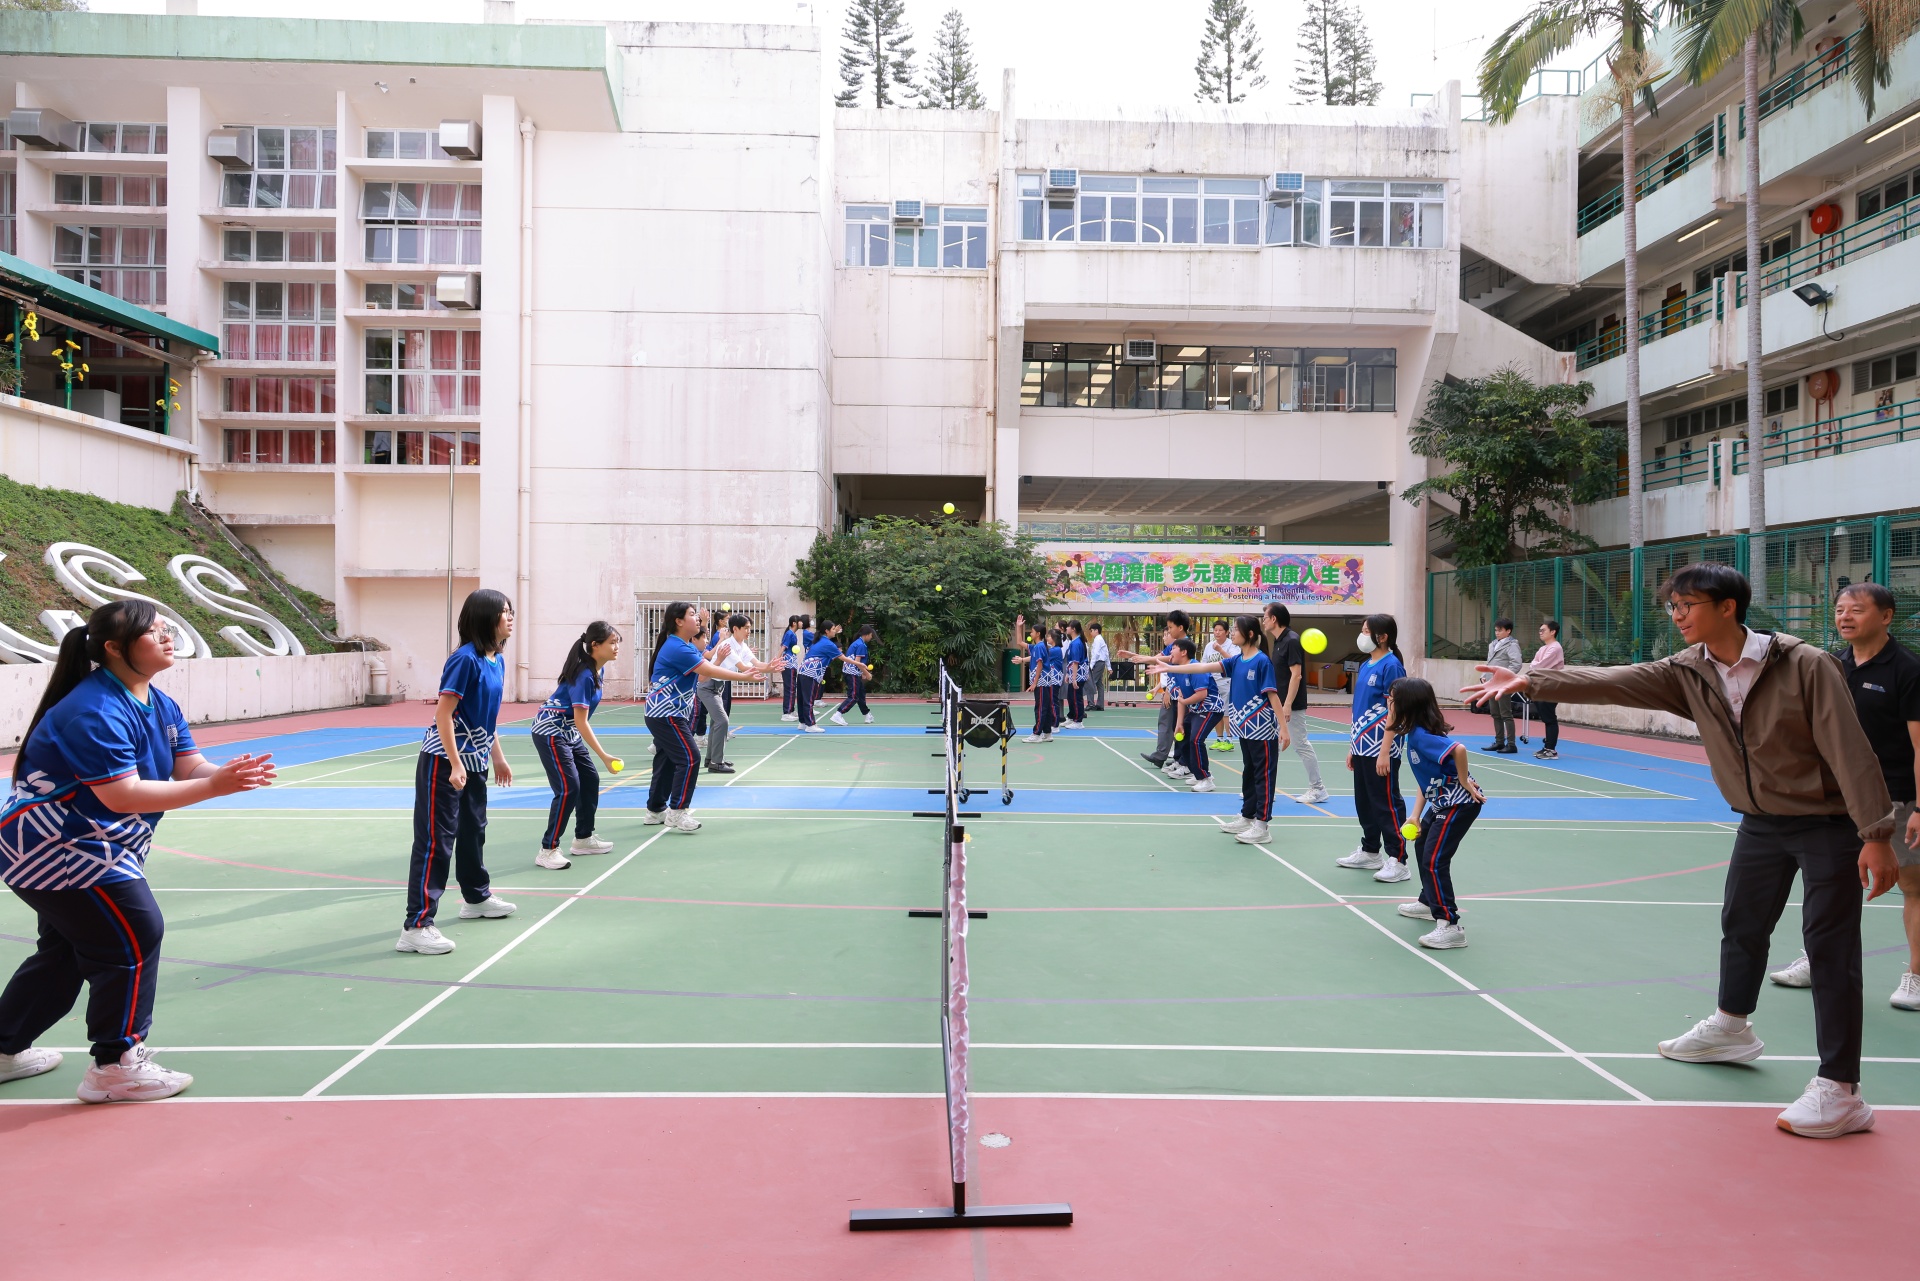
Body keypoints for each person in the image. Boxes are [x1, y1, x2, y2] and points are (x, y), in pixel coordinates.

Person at [1470, 563, 1898, 1139]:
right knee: (1741, 925)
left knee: (1830, 946)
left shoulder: (1805, 665)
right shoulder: (1689, 671)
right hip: (1760, 822)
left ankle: (1841, 1089)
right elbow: (1614, 680)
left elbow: (1851, 749)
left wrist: (1875, 833)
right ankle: (1731, 1027)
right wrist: (1529, 680)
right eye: (1672, 606)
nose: (1676, 616)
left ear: (1727, 607)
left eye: (1686, 605)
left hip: (1826, 823)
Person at [0, 600, 275, 1103]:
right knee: (133, 935)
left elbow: (187, 766)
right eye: (155, 632)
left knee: (65, 954)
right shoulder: (94, 710)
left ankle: (3, 1049)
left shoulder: (158, 702)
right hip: (61, 846)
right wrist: (214, 787)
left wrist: (224, 775)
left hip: (81, 845)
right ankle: (116, 1065)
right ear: (114, 647)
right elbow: (121, 795)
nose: (168, 637)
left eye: (168, 629)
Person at [1768, 583, 1920, 1012]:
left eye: (1856, 609)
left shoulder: (1908, 670)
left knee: (1913, 886)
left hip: (1895, 799)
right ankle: (1819, 960)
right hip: (1835, 798)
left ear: (1886, 616)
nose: (1844, 617)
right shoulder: (1831, 665)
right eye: (1839, 610)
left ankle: (1917, 976)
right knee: (1831, 882)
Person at [399, 589, 518, 956]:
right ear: (485, 617)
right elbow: (443, 714)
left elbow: (488, 718)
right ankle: (416, 925)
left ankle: (476, 898)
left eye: (511, 611)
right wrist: (454, 763)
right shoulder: (464, 660)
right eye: (504, 611)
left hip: (476, 761)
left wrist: (497, 757)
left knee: (473, 832)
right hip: (443, 761)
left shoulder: (496, 660)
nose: (510, 617)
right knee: (436, 840)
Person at [1150, 615, 1289, 844]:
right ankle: (1247, 816)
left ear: (1250, 634)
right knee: (1249, 773)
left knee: (1263, 775)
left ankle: (1262, 826)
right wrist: (1170, 666)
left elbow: (1273, 696)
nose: (1232, 632)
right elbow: (1203, 666)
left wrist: (1283, 728)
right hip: (1244, 728)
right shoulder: (1237, 660)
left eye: (1236, 629)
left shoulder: (1262, 661)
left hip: (1262, 729)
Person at [645, 602, 781, 823]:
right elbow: (708, 670)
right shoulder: (678, 647)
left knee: (666, 759)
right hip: (666, 712)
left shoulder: (685, 646)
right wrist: (744, 676)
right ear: (679, 621)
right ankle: (677, 812)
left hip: (668, 712)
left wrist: (756, 669)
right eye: (692, 615)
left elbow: (701, 676)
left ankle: (655, 810)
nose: (697, 619)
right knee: (690, 758)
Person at [1386, 678, 1486, 949]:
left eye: (1392, 699)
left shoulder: (1421, 736)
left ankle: (1450, 925)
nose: (1388, 702)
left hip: (1458, 804)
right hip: (1441, 803)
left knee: (1434, 859)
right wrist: (1415, 815)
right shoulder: (1414, 734)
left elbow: (1459, 749)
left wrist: (1464, 780)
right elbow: (1427, 780)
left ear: (1407, 704)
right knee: (1422, 848)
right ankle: (1428, 902)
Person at [530, 620, 622, 869]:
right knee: (568, 788)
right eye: (612, 643)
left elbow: (578, 723)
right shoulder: (584, 676)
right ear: (595, 645)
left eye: (617, 643)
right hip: (550, 731)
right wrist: (604, 755)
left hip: (568, 731)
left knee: (590, 780)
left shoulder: (598, 671)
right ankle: (548, 849)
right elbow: (582, 721)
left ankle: (583, 839)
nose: (617, 647)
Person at [1333, 665, 1410, 884]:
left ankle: (1399, 860)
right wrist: (1354, 746)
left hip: (1381, 748)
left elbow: (1396, 710)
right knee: (1364, 802)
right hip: (1362, 746)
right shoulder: (1366, 665)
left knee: (1386, 803)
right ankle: (1370, 851)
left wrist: (1385, 751)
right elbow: (1360, 709)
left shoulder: (1392, 666)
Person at [1263, 603, 1327, 802]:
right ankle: (1265, 788)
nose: (1263, 621)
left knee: (1300, 745)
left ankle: (1318, 789)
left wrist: (1288, 704)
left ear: (1274, 619)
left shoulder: (1291, 640)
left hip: (1290, 705)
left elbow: (1296, 675)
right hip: (1277, 704)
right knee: (1271, 746)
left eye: (1265, 617)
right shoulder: (1279, 641)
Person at [1118, 610, 1191, 771]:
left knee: (1181, 727)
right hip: (1173, 691)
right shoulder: (1174, 645)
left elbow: (1168, 660)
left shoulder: (1185, 645)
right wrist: (1133, 655)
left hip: (1182, 693)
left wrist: (1168, 690)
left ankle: (1184, 762)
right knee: (1173, 725)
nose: (1168, 631)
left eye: (1170, 627)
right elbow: (1159, 657)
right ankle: (1177, 759)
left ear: (1180, 628)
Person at [1167, 637, 1225, 792]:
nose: (1170, 652)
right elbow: (1181, 698)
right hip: (1195, 710)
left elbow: (1201, 694)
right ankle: (1195, 771)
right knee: (1183, 738)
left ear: (1184, 652)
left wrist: (1184, 701)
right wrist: (1179, 723)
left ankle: (1206, 779)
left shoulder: (1196, 668)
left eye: (1174, 648)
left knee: (1196, 739)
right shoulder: (1179, 670)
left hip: (1211, 709)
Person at [706, 613, 761, 770]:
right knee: (722, 721)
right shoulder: (727, 645)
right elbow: (744, 668)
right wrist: (756, 673)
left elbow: (756, 664)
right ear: (735, 629)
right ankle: (716, 763)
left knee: (716, 722)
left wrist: (770, 667)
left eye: (750, 628)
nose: (749, 631)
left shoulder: (742, 646)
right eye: (746, 628)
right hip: (708, 686)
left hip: (718, 686)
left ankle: (710, 759)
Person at [797, 620, 861, 733]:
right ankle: (810, 725)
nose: (834, 631)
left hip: (803, 671)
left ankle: (803, 723)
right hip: (811, 673)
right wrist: (859, 664)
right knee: (809, 700)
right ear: (827, 631)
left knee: (803, 700)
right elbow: (843, 658)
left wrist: (836, 630)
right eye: (833, 629)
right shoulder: (828, 644)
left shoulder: (819, 639)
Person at [1482, 618, 1522, 753]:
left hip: (1503, 684)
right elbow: (1490, 663)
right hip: (1492, 684)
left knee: (1506, 713)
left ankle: (1511, 744)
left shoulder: (1512, 645)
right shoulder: (1493, 644)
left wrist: (1504, 677)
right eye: (1496, 630)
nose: (1497, 633)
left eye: (1500, 630)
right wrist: (1484, 675)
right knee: (1495, 713)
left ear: (1508, 631)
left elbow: (1516, 664)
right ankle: (1499, 742)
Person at [1529, 620, 1565, 758]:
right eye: (1540, 630)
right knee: (1545, 717)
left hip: (1551, 687)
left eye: (1543, 630)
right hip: (1542, 686)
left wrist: (1536, 665)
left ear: (1553, 632)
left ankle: (1551, 749)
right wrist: (1535, 665)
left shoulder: (1555, 648)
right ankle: (1547, 747)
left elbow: (1539, 666)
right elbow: (1534, 664)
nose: (1540, 633)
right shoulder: (1543, 648)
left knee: (1550, 718)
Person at [830, 624, 877, 726]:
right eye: (871, 635)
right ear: (867, 634)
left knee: (860, 694)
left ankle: (867, 714)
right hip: (852, 673)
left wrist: (862, 672)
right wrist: (867, 673)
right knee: (854, 696)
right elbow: (857, 662)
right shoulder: (861, 645)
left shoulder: (857, 643)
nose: (871, 637)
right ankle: (838, 714)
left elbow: (857, 662)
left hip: (851, 672)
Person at [1203, 621, 1237, 754]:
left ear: (1227, 632)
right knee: (1217, 711)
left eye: (1220, 630)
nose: (1217, 632)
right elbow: (1204, 663)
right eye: (1215, 630)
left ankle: (1230, 740)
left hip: (1227, 682)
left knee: (1226, 713)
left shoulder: (1232, 645)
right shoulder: (1209, 646)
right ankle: (1219, 738)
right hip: (1213, 683)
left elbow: (1234, 662)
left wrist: (1220, 650)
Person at [1062, 620, 1088, 729]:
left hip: (1078, 674)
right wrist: (1068, 674)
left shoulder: (1077, 643)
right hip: (1074, 672)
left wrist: (1074, 678)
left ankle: (1078, 721)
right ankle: (1072, 716)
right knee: (1070, 696)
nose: (1066, 628)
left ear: (1073, 629)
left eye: (1068, 627)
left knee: (1076, 697)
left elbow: (1076, 662)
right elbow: (1071, 661)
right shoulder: (1073, 642)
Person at [779, 615, 801, 722]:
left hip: (792, 663)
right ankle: (786, 713)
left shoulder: (793, 634)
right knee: (789, 688)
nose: (801, 623)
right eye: (799, 621)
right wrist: (777, 660)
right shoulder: (789, 634)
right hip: (788, 663)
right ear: (794, 623)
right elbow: (783, 647)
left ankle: (791, 710)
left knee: (793, 687)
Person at [1087, 621, 1110, 712]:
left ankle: (1091, 703)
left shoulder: (1098, 640)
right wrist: (1109, 667)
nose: (1091, 633)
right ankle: (1100, 704)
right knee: (1099, 684)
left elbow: (1096, 654)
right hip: (1101, 663)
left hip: (1098, 663)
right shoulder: (1101, 639)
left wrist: (1091, 666)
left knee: (1090, 682)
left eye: (1092, 631)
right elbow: (1106, 653)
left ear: (1096, 630)